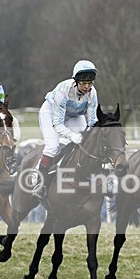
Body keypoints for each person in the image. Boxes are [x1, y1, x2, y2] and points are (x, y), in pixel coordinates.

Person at [36, 60, 100, 198]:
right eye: (83, 83)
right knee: (52, 146)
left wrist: (90, 134)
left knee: (87, 144)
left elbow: (93, 121)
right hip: (51, 113)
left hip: (73, 115)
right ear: (76, 81)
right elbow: (58, 124)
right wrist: (72, 135)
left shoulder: (92, 93)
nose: (87, 87)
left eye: (90, 83)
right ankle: (39, 183)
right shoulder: (63, 90)